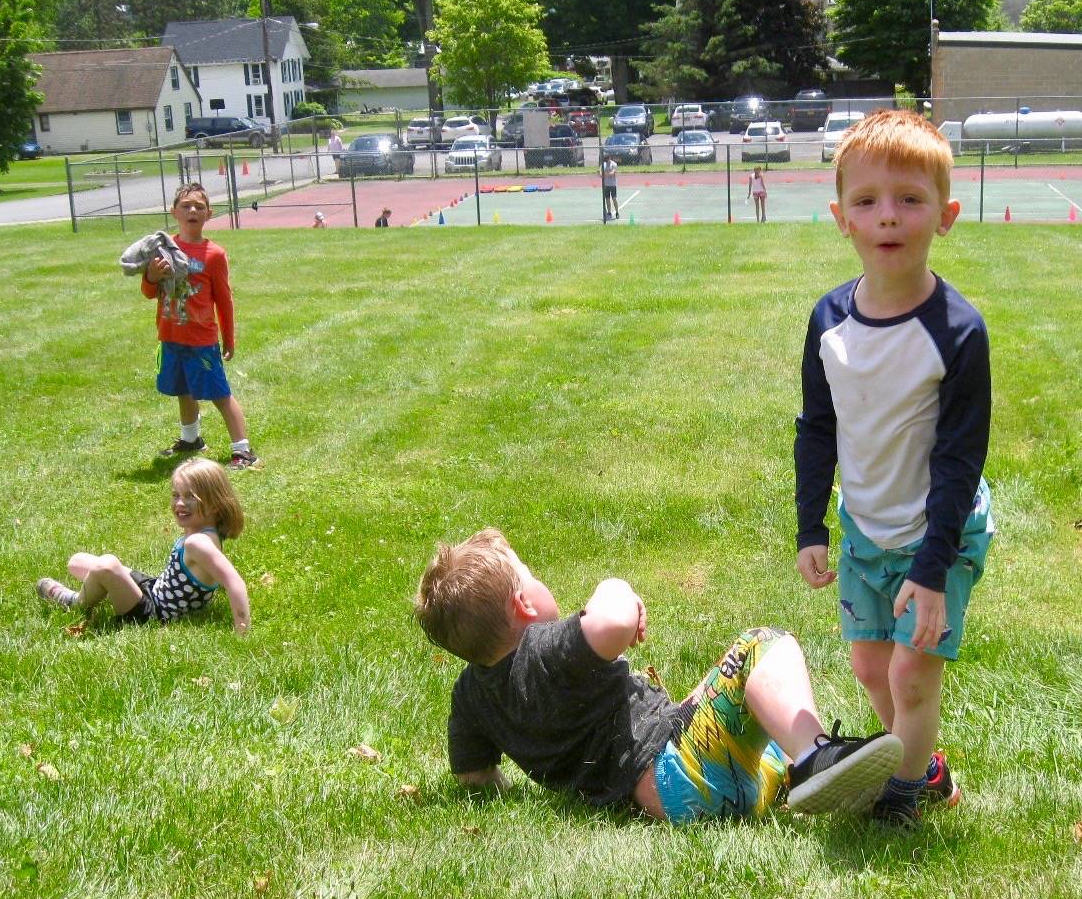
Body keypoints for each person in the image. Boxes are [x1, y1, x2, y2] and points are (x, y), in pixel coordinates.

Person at [414, 528, 904, 823]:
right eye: (529, 575)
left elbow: (473, 775)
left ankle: (886, 783)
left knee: (732, 709)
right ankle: (818, 756)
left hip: (664, 799)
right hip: (677, 768)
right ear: (522, 604)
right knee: (762, 645)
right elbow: (613, 622)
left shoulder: (472, 697)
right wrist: (617, 588)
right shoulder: (547, 649)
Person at [793, 110, 993, 827]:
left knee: (912, 674)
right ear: (840, 217)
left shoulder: (959, 332)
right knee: (871, 669)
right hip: (864, 530)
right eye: (867, 201)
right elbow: (817, 427)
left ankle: (901, 798)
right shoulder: (828, 322)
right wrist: (810, 525)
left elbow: (961, 456)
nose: (888, 217)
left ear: (946, 215)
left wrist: (933, 569)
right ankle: (924, 766)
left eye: (909, 200)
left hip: (939, 534)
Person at [36, 458, 251, 634]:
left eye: (190, 497)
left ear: (215, 505)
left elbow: (235, 583)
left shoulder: (198, 542)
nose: (179, 503)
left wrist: (243, 633)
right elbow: (214, 570)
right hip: (154, 589)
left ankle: (74, 601)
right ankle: (104, 588)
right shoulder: (206, 532)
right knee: (78, 561)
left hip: (154, 615)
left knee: (106, 565)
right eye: (176, 495)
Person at [144, 183, 259, 469]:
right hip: (171, 335)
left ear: (209, 213)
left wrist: (229, 338)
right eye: (186, 205)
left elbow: (224, 300)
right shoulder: (163, 248)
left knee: (219, 393)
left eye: (199, 206)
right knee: (183, 389)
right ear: (174, 212)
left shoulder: (214, 254)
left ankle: (243, 450)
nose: (192, 210)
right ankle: (191, 439)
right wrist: (151, 275)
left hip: (201, 340)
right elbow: (148, 292)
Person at [601, 154, 619, 220]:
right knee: (607, 199)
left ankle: (617, 212)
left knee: (614, 198)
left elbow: (612, 173)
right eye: (605, 160)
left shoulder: (614, 164)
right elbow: (601, 174)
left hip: (612, 184)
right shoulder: (603, 165)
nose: (606, 161)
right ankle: (609, 212)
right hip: (606, 185)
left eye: (607, 160)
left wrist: (605, 174)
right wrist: (603, 174)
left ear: (609, 158)